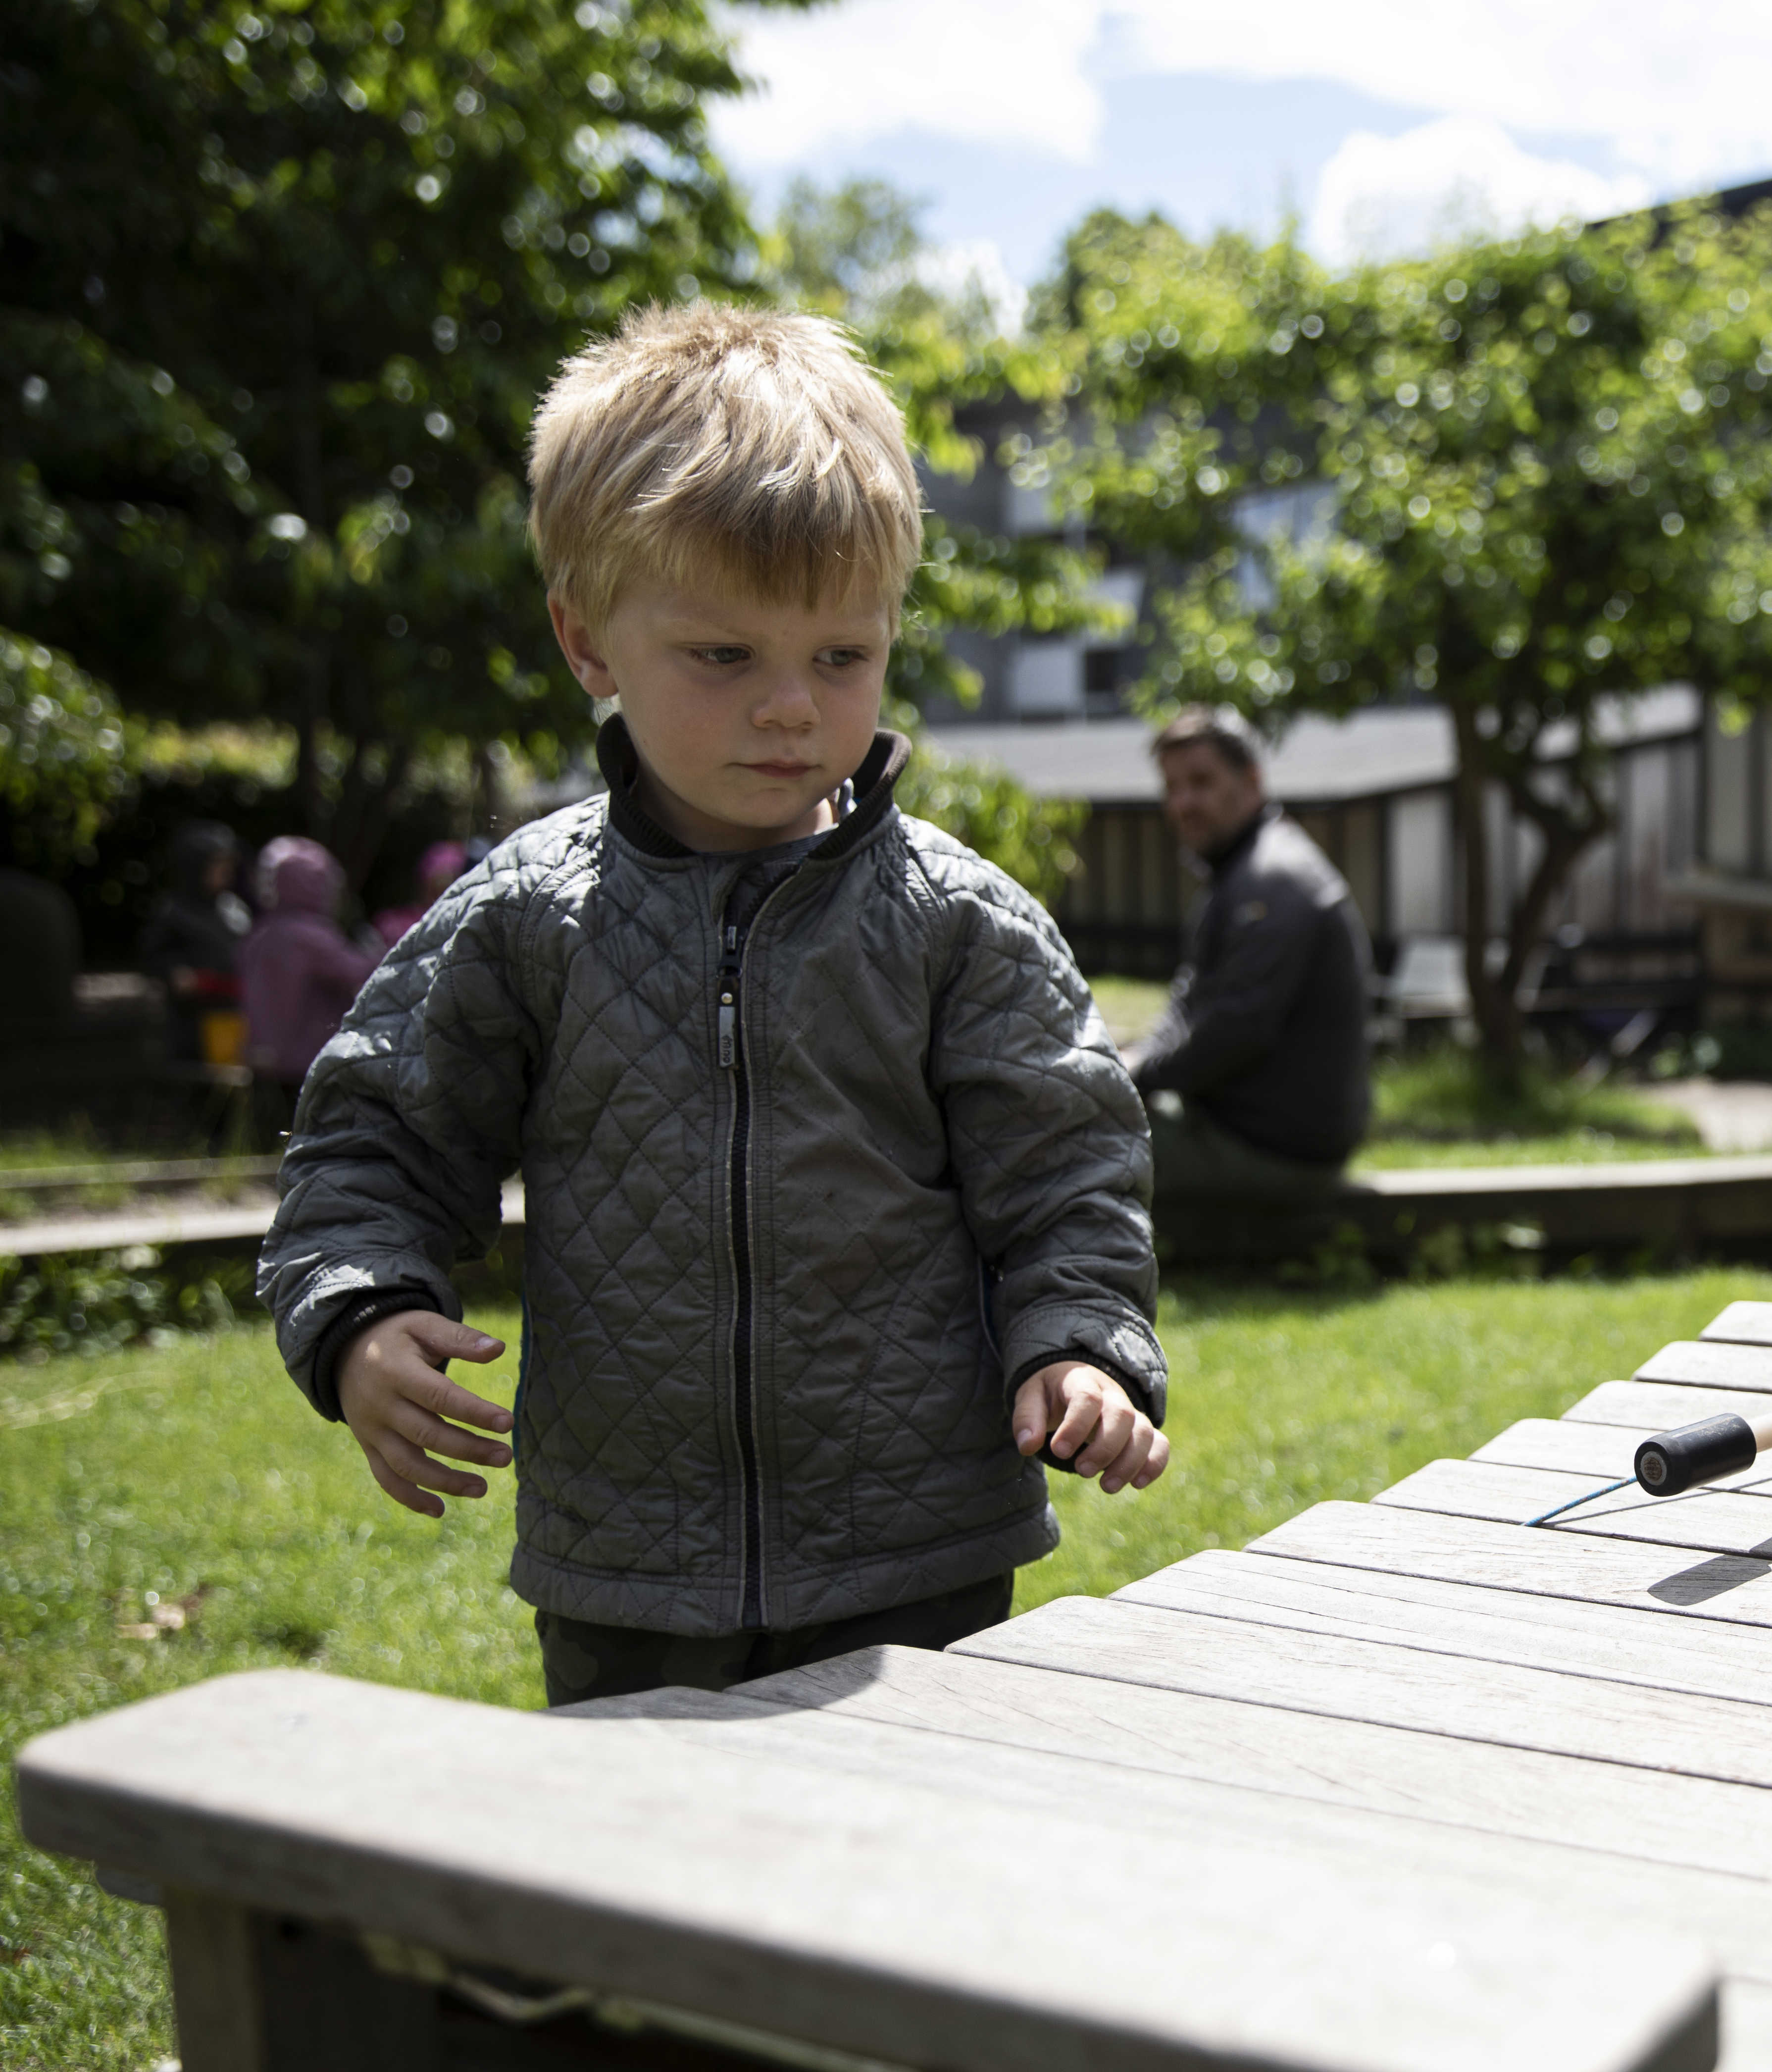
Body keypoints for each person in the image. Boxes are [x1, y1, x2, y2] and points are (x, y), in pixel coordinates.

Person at [257, 301, 1169, 1708]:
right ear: (589, 644)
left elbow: (1067, 1178)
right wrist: (361, 1314)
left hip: (916, 1549)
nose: (791, 708)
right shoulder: (528, 914)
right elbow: (373, 1140)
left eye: (840, 657)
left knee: (900, 1900)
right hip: (629, 1560)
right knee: (645, 1901)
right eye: (724, 657)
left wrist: (1081, 1344)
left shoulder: (959, 926)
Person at [1130, 706, 1374, 1200]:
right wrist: (1137, 1063)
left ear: (1252, 781)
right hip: (1253, 1133)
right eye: (1172, 788)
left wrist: (1135, 1076)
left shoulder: (1272, 880)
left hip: (1277, 1151)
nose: (1183, 803)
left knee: (1078, 1146)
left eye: (1201, 782)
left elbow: (1234, 1030)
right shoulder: (1241, 873)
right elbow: (1189, 1001)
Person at [237, 836, 380, 1113]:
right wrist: (378, 952)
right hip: (306, 1055)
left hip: (262, 1053)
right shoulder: (314, 937)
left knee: (266, 1124)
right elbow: (357, 973)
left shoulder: (259, 934)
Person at [137, 822, 250, 1067]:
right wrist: (174, 973)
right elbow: (154, 958)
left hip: (232, 1012)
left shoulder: (235, 909)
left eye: (229, 864)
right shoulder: (173, 912)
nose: (226, 871)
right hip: (190, 1018)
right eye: (218, 864)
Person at [371, 837, 481, 949]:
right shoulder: (391, 924)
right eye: (436, 878)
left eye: (450, 879)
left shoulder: (464, 933)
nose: (441, 885)